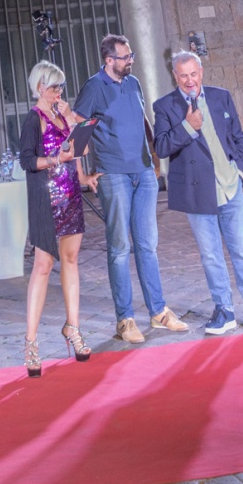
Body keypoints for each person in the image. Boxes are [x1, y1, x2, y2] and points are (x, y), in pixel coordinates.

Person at [75, 33, 188, 344]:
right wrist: (82, 175)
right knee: (119, 247)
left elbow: (142, 120)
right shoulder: (93, 87)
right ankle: (125, 319)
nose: (130, 61)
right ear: (109, 60)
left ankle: (158, 311)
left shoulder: (134, 82)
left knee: (147, 245)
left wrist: (154, 158)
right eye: (125, 57)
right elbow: (78, 128)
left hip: (143, 173)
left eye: (131, 56)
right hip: (113, 174)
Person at [153, 52, 243, 335]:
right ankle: (224, 309)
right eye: (183, 75)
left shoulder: (221, 97)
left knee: (242, 249)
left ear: (201, 72)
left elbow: (239, 137)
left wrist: (240, 170)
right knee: (211, 255)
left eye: (193, 74)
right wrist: (188, 126)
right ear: (175, 76)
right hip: (197, 192)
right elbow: (161, 147)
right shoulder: (165, 106)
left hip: (229, 187)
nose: (189, 81)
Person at [18, 61, 101, 374]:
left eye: (61, 87)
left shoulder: (63, 115)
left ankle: (73, 328)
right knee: (42, 265)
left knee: (71, 259)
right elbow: (27, 160)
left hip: (70, 196)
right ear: (40, 87)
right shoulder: (33, 119)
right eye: (54, 87)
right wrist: (55, 159)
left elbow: (80, 150)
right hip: (46, 199)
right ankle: (31, 342)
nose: (59, 92)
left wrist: (72, 122)